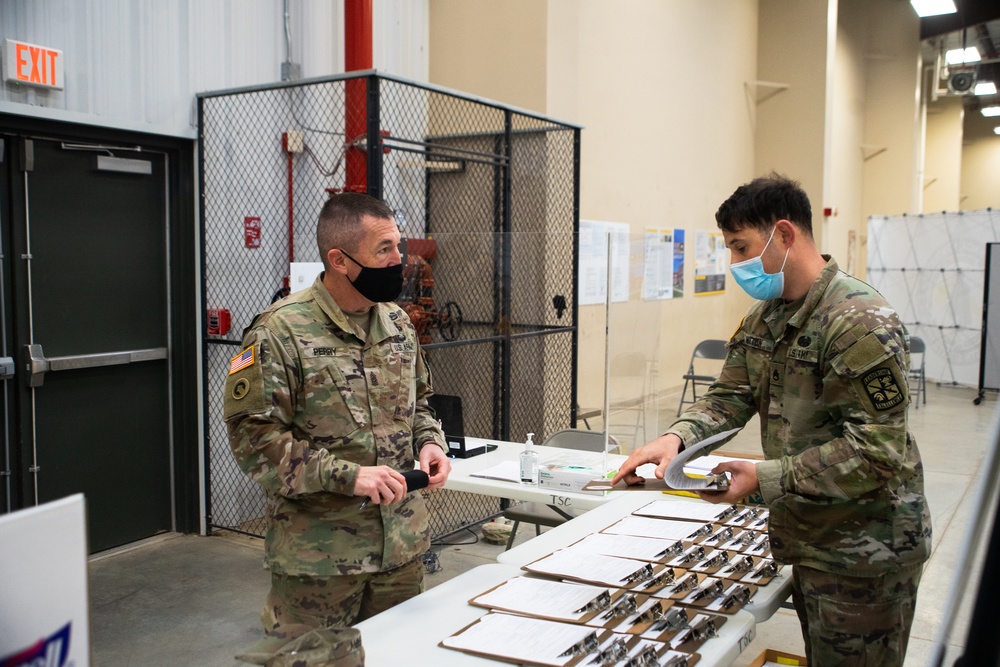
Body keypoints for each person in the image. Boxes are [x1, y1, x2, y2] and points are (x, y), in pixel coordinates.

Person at [612, 174, 931, 666]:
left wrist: (764, 478)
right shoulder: (767, 317)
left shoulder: (858, 320)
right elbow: (729, 397)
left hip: (866, 549)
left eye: (741, 248)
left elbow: (877, 452)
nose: (735, 264)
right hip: (809, 532)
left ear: (784, 235)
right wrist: (676, 438)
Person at [224, 192, 451, 641]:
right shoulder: (279, 332)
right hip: (321, 559)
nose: (399, 260)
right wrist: (351, 477)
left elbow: (420, 403)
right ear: (340, 260)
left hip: (401, 550)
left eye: (398, 246)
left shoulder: (398, 324)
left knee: (401, 654)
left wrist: (430, 442)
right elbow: (255, 441)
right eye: (384, 249)